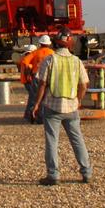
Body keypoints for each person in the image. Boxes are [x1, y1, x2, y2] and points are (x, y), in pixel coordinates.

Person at [34, 34, 92, 186]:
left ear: (54, 44)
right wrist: (78, 100)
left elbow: (42, 83)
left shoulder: (50, 60)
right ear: (70, 44)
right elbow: (84, 85)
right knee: (77, 139)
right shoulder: (76, 61)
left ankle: (53, 175)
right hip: (71, 107)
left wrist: (37, 104)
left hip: (52, 106)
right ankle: (86, 172)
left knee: (52, 140)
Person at [28, 35, 55, 124]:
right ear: (49, 44)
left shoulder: (35, 52)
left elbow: (24, 61)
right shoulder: (52, 53)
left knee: (36, 98)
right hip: (50, 77)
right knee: (47, 98)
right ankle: (47, 118)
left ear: (40, 43)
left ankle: (35, 117)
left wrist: (28, 72)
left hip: (37, 76)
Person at [18, 43, 39, 122]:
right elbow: (28, 68)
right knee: (33, 98)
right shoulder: (29, 58)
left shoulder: (24, 57)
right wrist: (29, 76)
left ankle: (28, 115)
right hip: (28, 81)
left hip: (25, 81)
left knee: (32, 97)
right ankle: (29, 115)